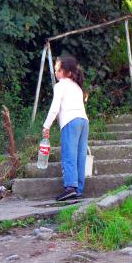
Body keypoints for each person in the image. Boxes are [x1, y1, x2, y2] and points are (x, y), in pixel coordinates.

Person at [42, 56, 89, 201]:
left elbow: (54, 108)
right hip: (84, 122)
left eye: (59, 70)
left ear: (68, 73)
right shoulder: (77, 87)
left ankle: (70, 187)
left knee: (69, 155)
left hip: (70, 121)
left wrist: (46, 126)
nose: (56, 73)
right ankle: (79, 189)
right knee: (80, 156)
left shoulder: (60, 85)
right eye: (56, 70)